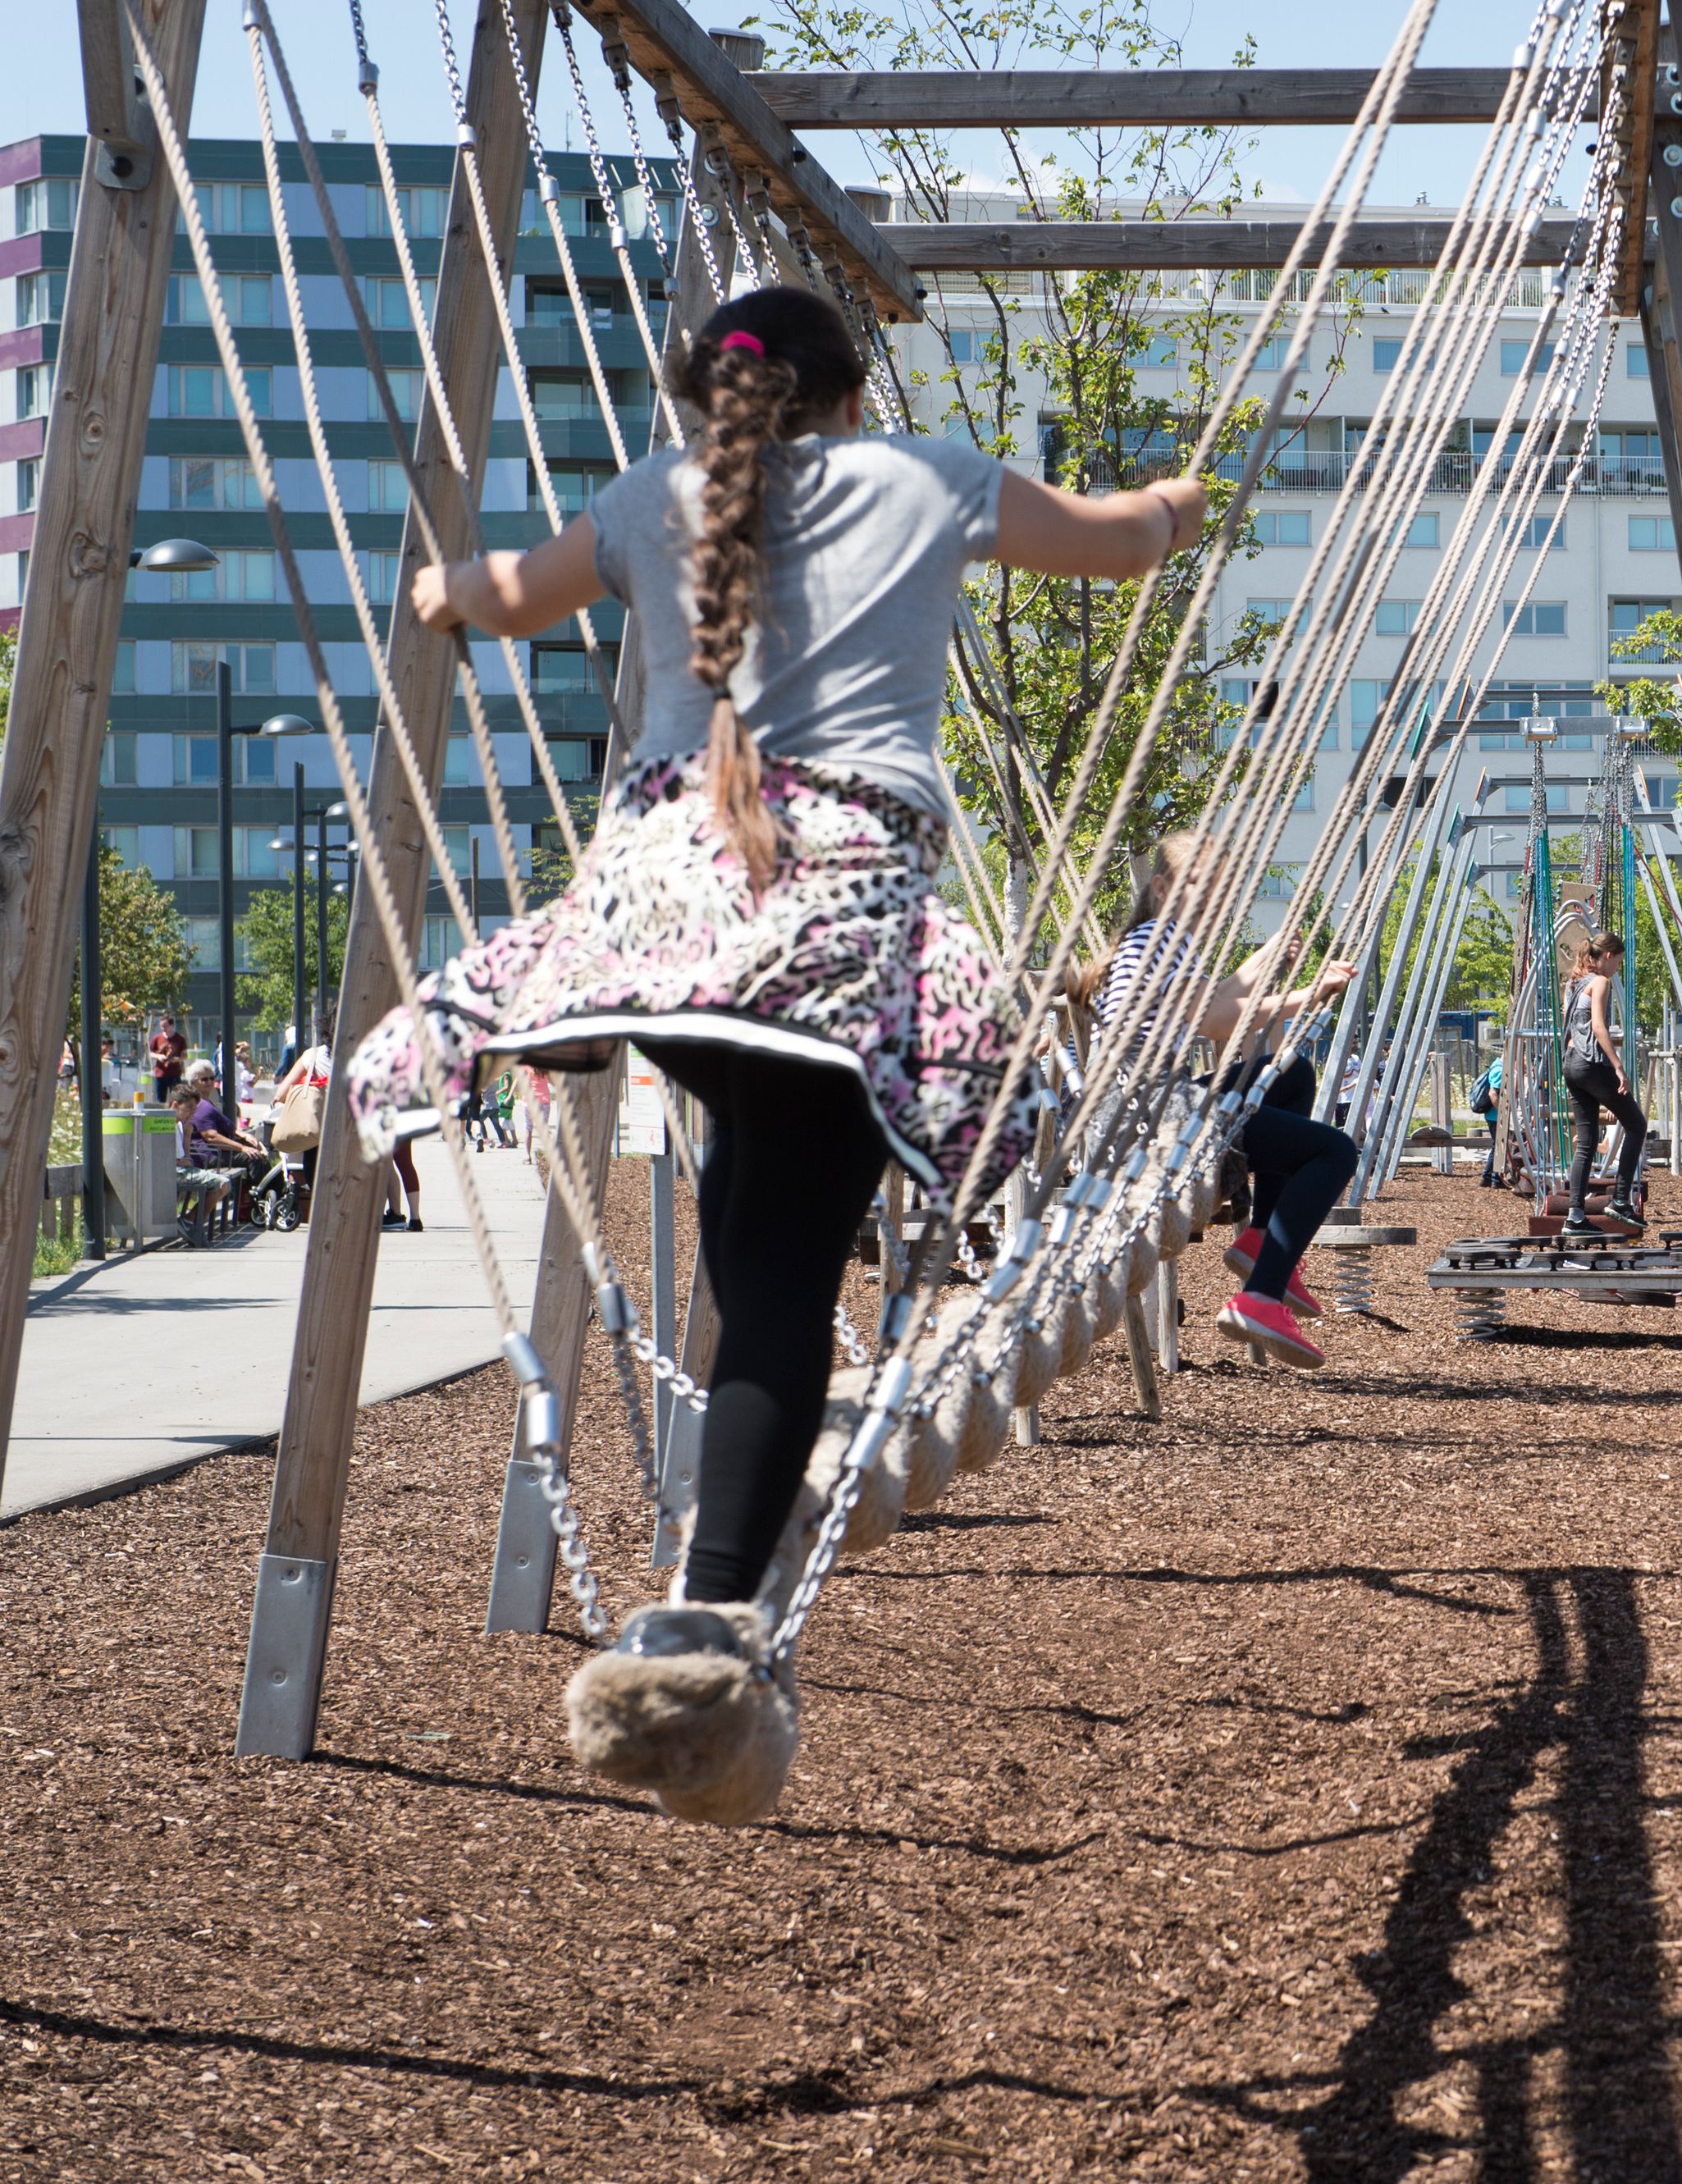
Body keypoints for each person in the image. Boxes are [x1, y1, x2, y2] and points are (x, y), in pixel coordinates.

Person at [354, 284, 1208, 1770]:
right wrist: (1176, 501)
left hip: (661, 934)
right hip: (828, 937)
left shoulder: (645, 496)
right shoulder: (931, 476)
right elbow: (1119, 541)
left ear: (708, 400)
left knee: (754, 1193)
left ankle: (554, 1037)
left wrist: (437, 596)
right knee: (777, 1282)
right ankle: (708, 1616)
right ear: (854, 389)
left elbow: (500, 594)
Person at [1072, 833, 1358, 1369]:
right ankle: (1262, 1296)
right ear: (1162, 888)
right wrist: (1308, 995)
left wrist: (1271, 955)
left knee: (1292, 1074)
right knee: (1334, 1152)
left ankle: (1259, 1243)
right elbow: (1212, 1020)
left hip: (1148, 1101)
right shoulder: (1161, 938)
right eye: (1205, 890)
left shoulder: (1155, 938)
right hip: (1153, 1112)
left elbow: (1217, 997)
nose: (1217, 904)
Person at [1560, 932, 1648, 1234]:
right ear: (1608, 956)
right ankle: (1621, 1199)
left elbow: (1571, 1025)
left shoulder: (1574, 983)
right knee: (1636, 1124)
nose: (1618, 969)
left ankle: (1575, 1216)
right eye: (1619, 962)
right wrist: (1619, 1067)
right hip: (1591, 1063)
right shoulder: (1600, 982)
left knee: (1585, 1143)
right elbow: (1599, 1026)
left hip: (1570, 1064)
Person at [181, 1059, 271, 1220]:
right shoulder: (201, 1106)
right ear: (194, 1083)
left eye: (212, 1078)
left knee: (258, 1156)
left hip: (216, 1153)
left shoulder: (208, 1102)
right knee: (253, 1158)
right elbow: (211, 1136)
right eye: (204, 1079)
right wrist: (242, 1148)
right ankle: (252, 1206)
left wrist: (245, 1136)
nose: (209, 1082)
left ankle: (260, 1202)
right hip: (209, 1156)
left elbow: (230, 1129)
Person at [1468, 1050, 1507, 1186]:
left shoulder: (1496, 1066)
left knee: (1499, 1146)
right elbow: (1493, 1094)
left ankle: (1493, 1178)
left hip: (1493, 1115)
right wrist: (1503, 1112)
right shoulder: (1500, 1069)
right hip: (1495, 1116)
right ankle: (1490, 1177)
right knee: (1498, 1146)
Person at [148, 1017, 184, 1106]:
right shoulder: (157, 1038)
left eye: (165, 1026)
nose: (163, 1029)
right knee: (161, 1100)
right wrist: (159, 1056)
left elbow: (184, 1055)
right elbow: (150, 1053)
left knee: (176, 1099)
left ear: (172, 1025)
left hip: (174, 1073)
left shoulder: (180, 1038)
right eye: (161, 1026)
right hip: (161, 1073)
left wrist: (177, 1059)